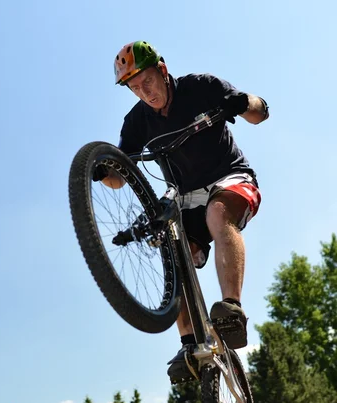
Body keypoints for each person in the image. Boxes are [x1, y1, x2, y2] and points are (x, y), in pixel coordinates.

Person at [99, 40, 269, 383]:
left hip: (230, 177)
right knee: (173, 246)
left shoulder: (200, 87)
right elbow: (121, 174)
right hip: (187, 196)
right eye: (134, 88)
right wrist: (101, 172)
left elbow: (259, 112)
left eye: (147, 81)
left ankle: (231, 310)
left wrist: (243, 102)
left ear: (162, 70)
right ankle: (190, 343)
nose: (144, 92)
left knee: (218, 213)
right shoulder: (137, 122)